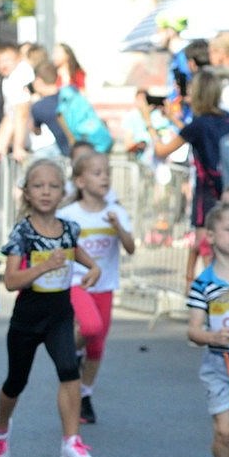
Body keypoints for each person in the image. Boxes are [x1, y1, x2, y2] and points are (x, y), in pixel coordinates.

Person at [0, 159, 101, 457]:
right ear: (26, 193)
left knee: (69, 369)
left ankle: (71, 442)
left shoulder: (69, 229)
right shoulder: (22, 233)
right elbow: (10, 282)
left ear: (63, 192)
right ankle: (0, 429)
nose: (46, 192)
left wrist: (93, 268)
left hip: (60, 315)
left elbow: (76, 251)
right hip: (27, 318)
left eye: (53, 186)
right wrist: (42, 267)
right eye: (38, 186)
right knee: (16, 381)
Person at [59, 152, 135, 426]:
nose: (104, 177)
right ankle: (69, 353)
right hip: (76, 282)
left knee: (97, 345)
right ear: (80, 181)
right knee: (90, 329)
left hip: (105, 285)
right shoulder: (67, 215)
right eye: (96, 173)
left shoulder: (116, 212)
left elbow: (130, 248)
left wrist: (118, 227)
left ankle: (84, 394)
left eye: (106, 172)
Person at [141, 69, 229, 287]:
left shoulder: (198, 124)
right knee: (214, 245)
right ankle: (196, 286)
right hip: (228, 189)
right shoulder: (226, 119)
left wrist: (148, 122)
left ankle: (211, 297)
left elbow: (162, 151)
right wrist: (173, 118)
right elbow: (198, 136)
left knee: (206, 247)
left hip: (206, 194)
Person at [186, 203, 229, 457]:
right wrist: (210, 336)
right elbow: (193, 330)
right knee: (224, 430)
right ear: (211, 236)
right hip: (218, 365)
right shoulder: (203, 284)